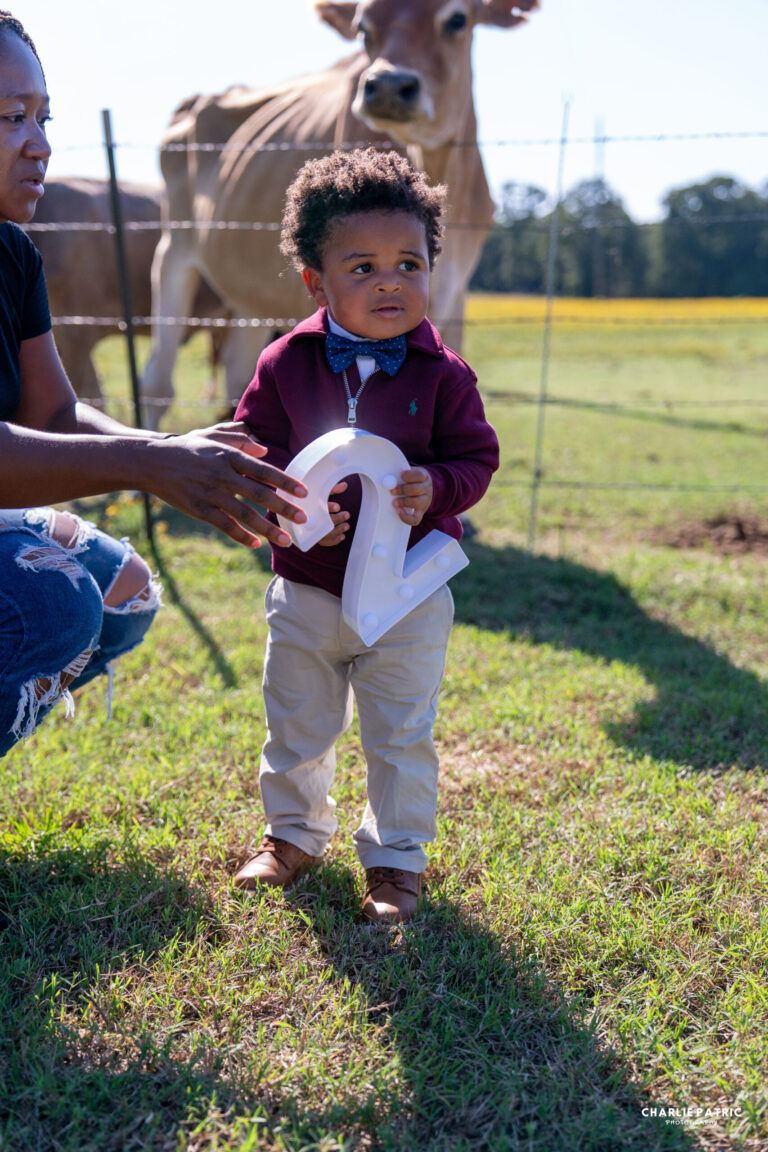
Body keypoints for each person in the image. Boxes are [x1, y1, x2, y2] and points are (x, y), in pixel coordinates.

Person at [0, 11, 307, 756]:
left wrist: (174, 451)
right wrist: (148, 463)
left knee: (122, 592)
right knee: (56, 603)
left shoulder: (11, 254)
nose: (40, 144)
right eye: (11, 118)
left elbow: (55, 411)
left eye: (44, 117)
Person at [232, 148, 499, 923]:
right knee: (297, 717)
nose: (391, 281)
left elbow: (475, 459)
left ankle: (395, 860)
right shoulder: (285, 364)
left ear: (431, 270)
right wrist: (299, 512)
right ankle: (292, 835)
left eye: (409, 263)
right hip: (308, 588)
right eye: (364, 266)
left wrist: (436, 487)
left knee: (400, 729)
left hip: (407, 594)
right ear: (315, 281)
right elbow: (258, 452)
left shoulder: (445, 374)